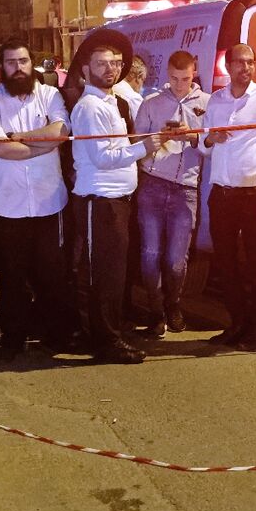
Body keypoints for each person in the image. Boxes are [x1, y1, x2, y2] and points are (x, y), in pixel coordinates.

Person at [0, 39, 81, 359]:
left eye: (23, 60)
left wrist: (17, 137)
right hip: (8, 204)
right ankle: (13, 337)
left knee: (53, 273)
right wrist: (39, 141)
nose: (18, 67)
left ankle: (57, 334)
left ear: (30, 63)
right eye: (10, 62)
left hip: (50, 202)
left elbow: (59, 134)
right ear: (0, 68)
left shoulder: (50, 95)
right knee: (12, 276)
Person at [70, 29, 161, 364]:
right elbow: (103, 157)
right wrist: (145, 147)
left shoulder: (112, 102)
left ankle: (107, 332)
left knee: (112, 272)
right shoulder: (91, 107)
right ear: (86, 70)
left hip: (116, 201)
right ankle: (106, 340)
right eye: (102, 63)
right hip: (101, 202)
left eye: (116, 63)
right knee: (103, 275)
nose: (110, 69)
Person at [200, 43, 256, 351]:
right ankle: (236, 323)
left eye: (251, 62)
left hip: (253, 194)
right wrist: (211, 137)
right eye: (240, 62)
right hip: (221, 194)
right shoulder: (217, 101)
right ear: (228, 66)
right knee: (225, 263)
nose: (246, 68)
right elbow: (202, 145)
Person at [134, 50, 209, 337]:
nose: (180, 85)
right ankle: (156, 312)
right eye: (175, 79)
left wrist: (193, 136)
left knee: (177, 259)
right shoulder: (151, 104)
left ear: (195, 73)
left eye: (186, 79)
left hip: (186, 188)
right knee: (151, 253)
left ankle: (173, 302)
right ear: (167, 74)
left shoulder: (207, 103)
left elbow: (212, 144)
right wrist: (159, 139)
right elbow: (137, 144)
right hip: (153, 183)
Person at [113, 54, 147, 121]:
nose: (142, 85)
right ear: (138, 77)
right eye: (143, 80)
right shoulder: (134, 98)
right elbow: (142, 128)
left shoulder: (109, 89)